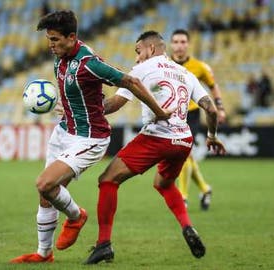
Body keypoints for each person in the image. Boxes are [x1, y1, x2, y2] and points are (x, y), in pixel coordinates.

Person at [10, 11, 172, 264]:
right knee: (46, 194)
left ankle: (76, 217)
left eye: (54, 39)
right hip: (63, 131)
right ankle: (44, 254)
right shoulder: (61, 56)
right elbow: (87, 97)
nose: (50, 45)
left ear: (71, 37)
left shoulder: (89, 63)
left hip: (89, 139)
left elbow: (131, 81)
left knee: (45, 184)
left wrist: (160, 112)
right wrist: (69, 107)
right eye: (49, 39)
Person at [85, 31, 226, 264]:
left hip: (156, 137)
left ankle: (103, 245)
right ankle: (188, 227)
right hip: (183, 140)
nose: (137, 58)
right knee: (164, 183)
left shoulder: (141, 69)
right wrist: (211, 136)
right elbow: (210, 109)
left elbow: (113, 105)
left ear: (150, 49)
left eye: (138, 51)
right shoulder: (186, 73)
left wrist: (84, 108)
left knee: (107, 179)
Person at [170, 29, 226, 210]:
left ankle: (183, 197)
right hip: (171, 115)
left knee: (184, 152)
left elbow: (213, 86)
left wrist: (220, 107)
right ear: (171, 44)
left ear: (188, 44)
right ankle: (204, 188)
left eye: (183, 42)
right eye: (176, 42)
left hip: (191, 114)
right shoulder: (165, 65)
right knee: (185, 155)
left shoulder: (199, 66)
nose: (179, 45)